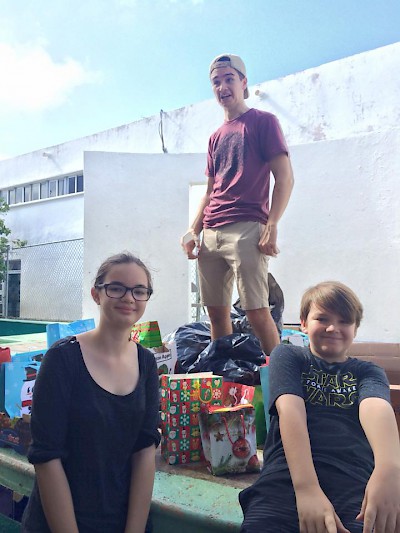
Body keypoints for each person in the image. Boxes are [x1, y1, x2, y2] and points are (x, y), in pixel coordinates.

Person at [239, 281, 400, 533]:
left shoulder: (367, 372)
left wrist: (388, 470)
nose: (333, 328)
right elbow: (291, 412)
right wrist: (307, 489)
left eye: (344, 321)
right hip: (287, 477)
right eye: (322, 318)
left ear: (355, 329)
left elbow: (377, 410)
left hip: (352, 479)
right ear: (304, 323)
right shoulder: (289, 356)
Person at [21, 252, 161, 533]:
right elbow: (47, 457)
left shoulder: (146, 362)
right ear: (96, 294)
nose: (129, 298)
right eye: (116, 288)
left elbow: (145, 450)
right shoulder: (62, 359)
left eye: (139, 290)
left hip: (120, 520)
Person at [181, 53, 294, 355]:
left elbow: (284, 178)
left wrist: (272, 224)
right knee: (216, 315)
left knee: (257, 312)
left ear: (244, 82)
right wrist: (193, 230)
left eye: (229, 79)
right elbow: (209, 191)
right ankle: (223, 370)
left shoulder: (263, 122)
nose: (222, 87)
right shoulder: (215, 137)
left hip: (247, 228)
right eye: (216, 82)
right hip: (211, 233)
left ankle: (278, 378)